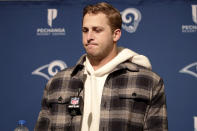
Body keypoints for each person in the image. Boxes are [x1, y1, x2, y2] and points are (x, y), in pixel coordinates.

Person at [35, 2, 168, 131]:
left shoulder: (148, 81)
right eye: (85, 30)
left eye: (97, 30)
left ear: (116, 34)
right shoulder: (58, 82)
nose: (89, 37)